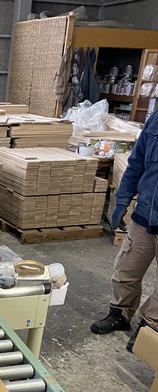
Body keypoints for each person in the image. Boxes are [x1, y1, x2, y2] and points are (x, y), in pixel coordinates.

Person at [90, 111, 158, 352]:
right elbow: (136, 163)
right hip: (145, 215)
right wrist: (122, 201)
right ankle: (120, 313)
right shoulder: (156, 120)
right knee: (126, 269)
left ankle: (150, 327)